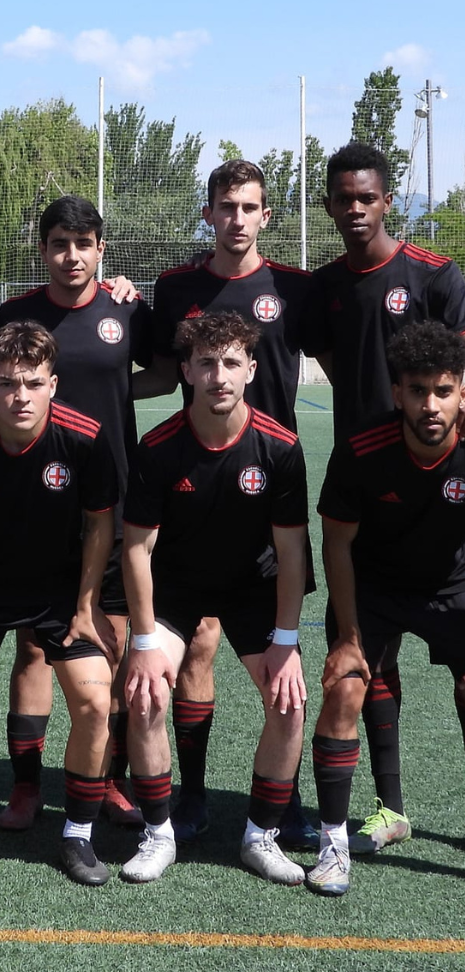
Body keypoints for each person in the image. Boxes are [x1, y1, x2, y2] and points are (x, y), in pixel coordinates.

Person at [137, 159, 320, 847]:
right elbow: (158, 371)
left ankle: (288, 801)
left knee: (283, 664)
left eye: (249, 207)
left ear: (265, 216)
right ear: (208, 213)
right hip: (193, 486)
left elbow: (355, 348)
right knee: (197, 647)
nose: (236, 218)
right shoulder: (177, 287)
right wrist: (86, 396)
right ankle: (189, 796)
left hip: (270, 493)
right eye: (225, 206)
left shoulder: (295, 289)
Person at [302, 140, 465, 857]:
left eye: (368, 197)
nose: (356, 209)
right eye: (344, 198)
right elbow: (339, 365)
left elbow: (457, 373)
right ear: (330, 205)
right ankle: (388, 807)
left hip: (442, 482)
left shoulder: (435, 274)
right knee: (366, 664)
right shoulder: (326, 285)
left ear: (388, 200)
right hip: (368, 487)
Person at [0, 320, 120, 888]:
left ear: (53, 385)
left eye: (33, 383)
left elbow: (99, 526)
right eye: (7, 382)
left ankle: (78, 836)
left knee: (93, 701)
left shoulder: (84, 436)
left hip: (60, 592)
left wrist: (86, 605)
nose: (20, 396)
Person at [118, 313, 309, 885]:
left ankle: (262, 835)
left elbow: (294, 555)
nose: (218, 376)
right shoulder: (158, 447)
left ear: (251, 370)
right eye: (206, 363)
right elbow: (135, 552)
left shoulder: (279, 448)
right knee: (146, 693)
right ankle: (159, 832)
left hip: (253, 588)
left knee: (289, 700)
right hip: (178, 587)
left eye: (230, 363)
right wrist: (146, 642)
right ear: (186, 371)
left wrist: (287, 641)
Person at [0, 195, 152, 834]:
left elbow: (164, 373)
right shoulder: (19, 314)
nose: (72, 256)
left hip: (109, 499)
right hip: (34, 503)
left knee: (104, 646)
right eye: (59, 243)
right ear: (44, 248)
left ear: (101, 249)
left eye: (84, 244)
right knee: (33, 651)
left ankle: (104, 781)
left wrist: (104, 397)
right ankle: (26, 789)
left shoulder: (125, 308)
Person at [307, 321, 465, 896]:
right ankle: (335, 843)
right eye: (417, 390)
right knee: (346, 686)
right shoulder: (361, 449)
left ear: (462, 391)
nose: (430, 404)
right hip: (373, 584)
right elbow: (337, 545)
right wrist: (349, 638)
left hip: (453, 583)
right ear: (397, 393)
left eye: (443, 390)